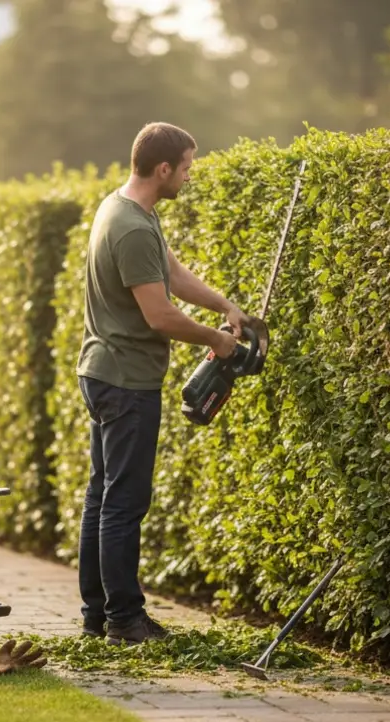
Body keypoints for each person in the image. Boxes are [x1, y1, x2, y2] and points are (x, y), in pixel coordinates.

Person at [75, 122, 253, 646]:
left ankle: (97, 615)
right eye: (188, 168)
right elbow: (158, 314)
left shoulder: (129, 210)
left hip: (105, 371)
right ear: (163, 169)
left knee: (102, 498)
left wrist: (223, 305)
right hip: (126, 381)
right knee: (123, 504)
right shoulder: (130, 227)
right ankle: (125, 621)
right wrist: (215, 342)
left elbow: (171, 275)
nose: (190, 178)